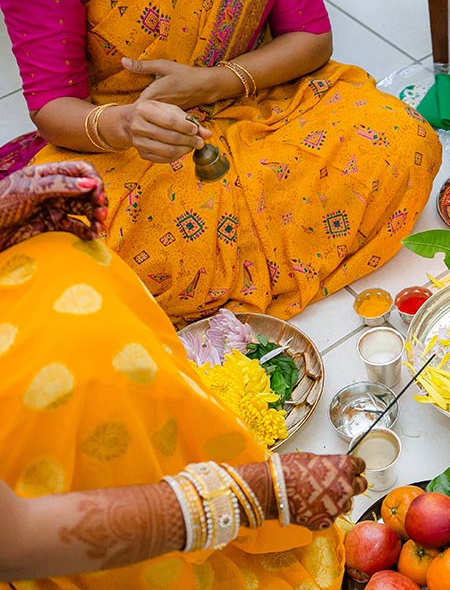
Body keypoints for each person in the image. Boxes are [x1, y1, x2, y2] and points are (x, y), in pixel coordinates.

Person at [0, 161, 366, 589]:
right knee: (89, 384)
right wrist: (251, 497)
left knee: (67, 253)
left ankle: (180, 460)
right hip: (40, 546)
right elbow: (14, 544)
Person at [0, 0, 442, 325]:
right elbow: (53, 106)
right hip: (133, 140)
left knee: (402, 140)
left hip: (259, 91)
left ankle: (220, 285)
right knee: (78, 260)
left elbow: (310, 37)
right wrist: (127, 124)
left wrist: (215, 82)